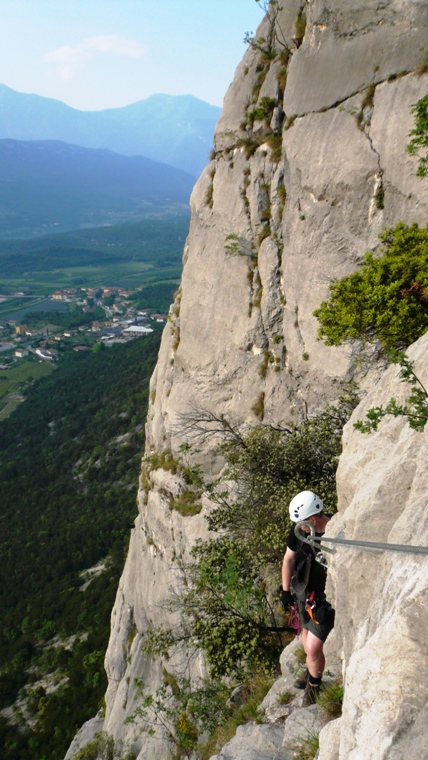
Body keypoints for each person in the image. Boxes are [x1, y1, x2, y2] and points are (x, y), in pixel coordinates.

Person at [281, 490, 335, 705]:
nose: (297, 528)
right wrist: (285, 591)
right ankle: (312, 672)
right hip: (305, 595)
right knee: (305, 638)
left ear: (312, 520)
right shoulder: (299, 532)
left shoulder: (335, 532)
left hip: (325, 599)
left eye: (301, 523)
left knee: (312, 648)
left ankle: (314, 687)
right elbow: (289, 560)